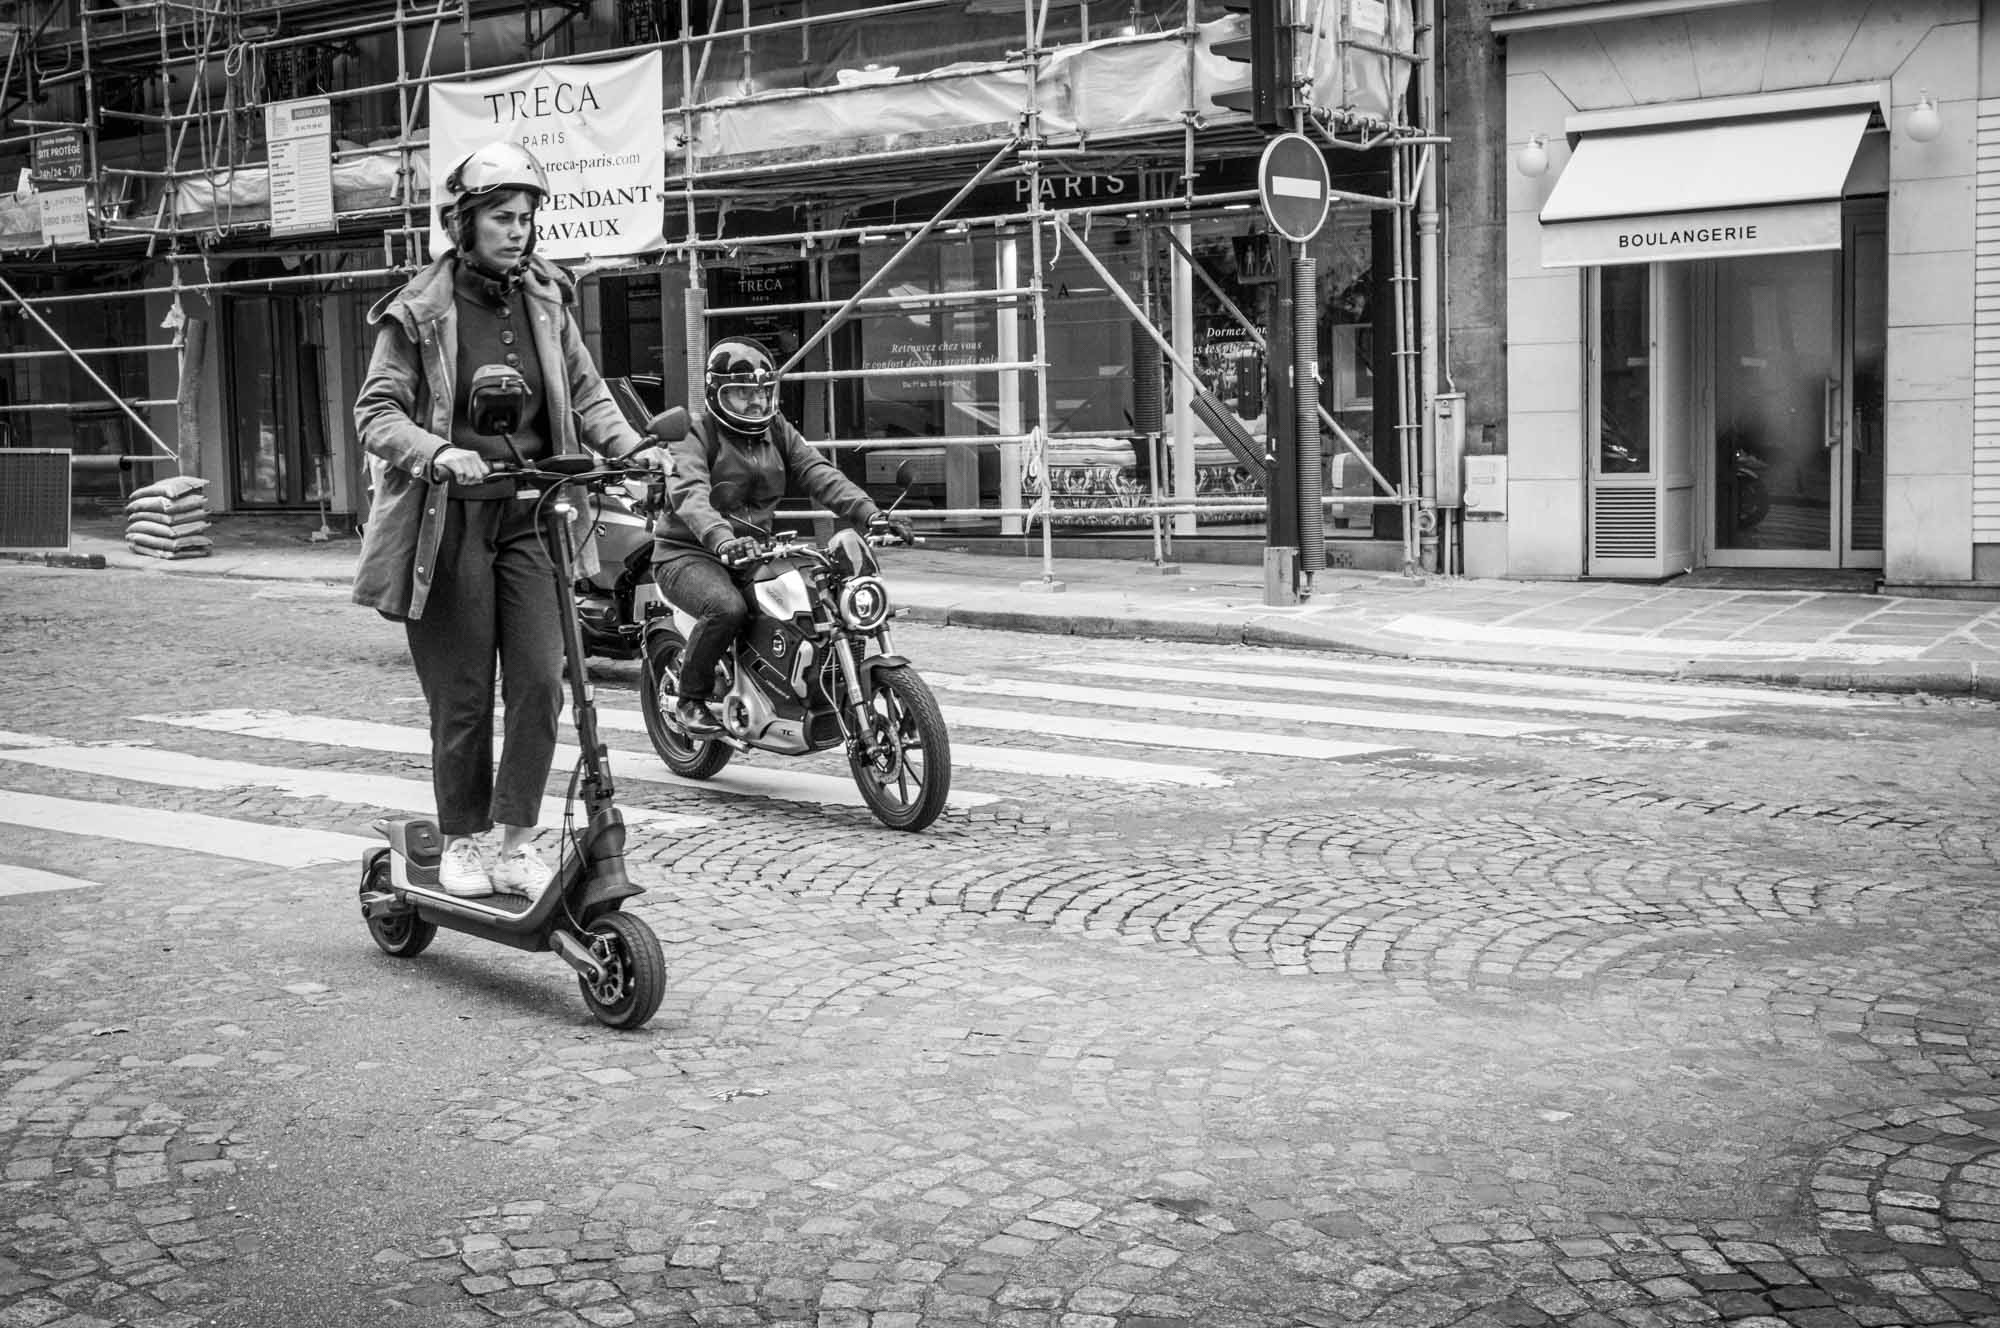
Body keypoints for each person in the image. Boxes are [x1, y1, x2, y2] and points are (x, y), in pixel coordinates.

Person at [351, 140, 652, 899]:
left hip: (534, 517)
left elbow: (586, 394)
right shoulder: (420, 310)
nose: (517, 231)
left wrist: (634, 450)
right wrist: (437, 452)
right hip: (448, 526)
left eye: (525, 218)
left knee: (541, 684)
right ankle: (461, 839)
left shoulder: (547, 300)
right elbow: (376, 413)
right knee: (460, 697)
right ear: (465, 223)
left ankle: (517, 842)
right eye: (501, 218)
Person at [652, 336, 912, 733]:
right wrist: (722, 539)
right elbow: (690, 494)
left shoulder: (776, 429)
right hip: (688, 553)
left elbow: (817, 471)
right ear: (717, 393)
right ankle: (691, 698)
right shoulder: (694, 433)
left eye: (762, 392)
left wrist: (871, 514)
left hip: (753, 549)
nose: (756, 402)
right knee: (726, 608)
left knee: (820, 599)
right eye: (743, 394)